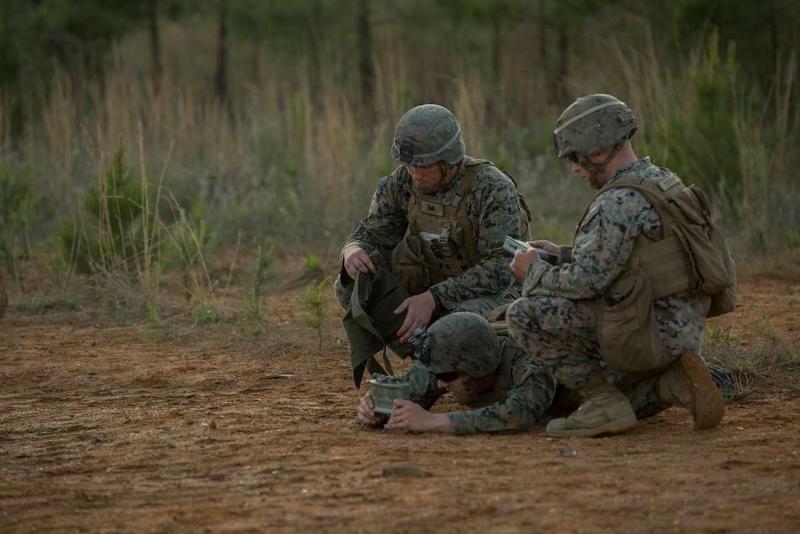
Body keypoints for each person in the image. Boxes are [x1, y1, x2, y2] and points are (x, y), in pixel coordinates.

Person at [506, 94, 734, 438]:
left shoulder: (615, 202)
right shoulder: (662, 181)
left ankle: (603, 404)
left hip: (647, 331)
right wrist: (562, 254)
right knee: (619, 393)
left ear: (598, 152)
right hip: (682, 328)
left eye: (575, 157)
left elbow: (587, 283)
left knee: (524, 315)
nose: (574, 168)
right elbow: (631, 258)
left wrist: (533, 272)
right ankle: (670, 384)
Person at [335, 104, 530, 387]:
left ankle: (440, 371)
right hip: (432, 293)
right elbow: (374, 233)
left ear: (449, 161)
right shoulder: (402, 182)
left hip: (493, 296)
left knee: (458, 324)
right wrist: (353, 249)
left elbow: (502, 268)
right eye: (410, 165)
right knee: (352, 284)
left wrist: (435, 297)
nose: (416, 174)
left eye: (424, 166)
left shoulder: (491, 188)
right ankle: (426, 352)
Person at [356, 312, 739, 435]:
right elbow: (407, 389)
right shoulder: (452, 356)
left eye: (450, 378)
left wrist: (435, 421)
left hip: (597, 368)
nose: (441, 384)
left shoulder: (530, 362)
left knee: (601, 407)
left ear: (478, 370)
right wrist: (376, 409)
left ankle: (674, 382)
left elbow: (519, 413)